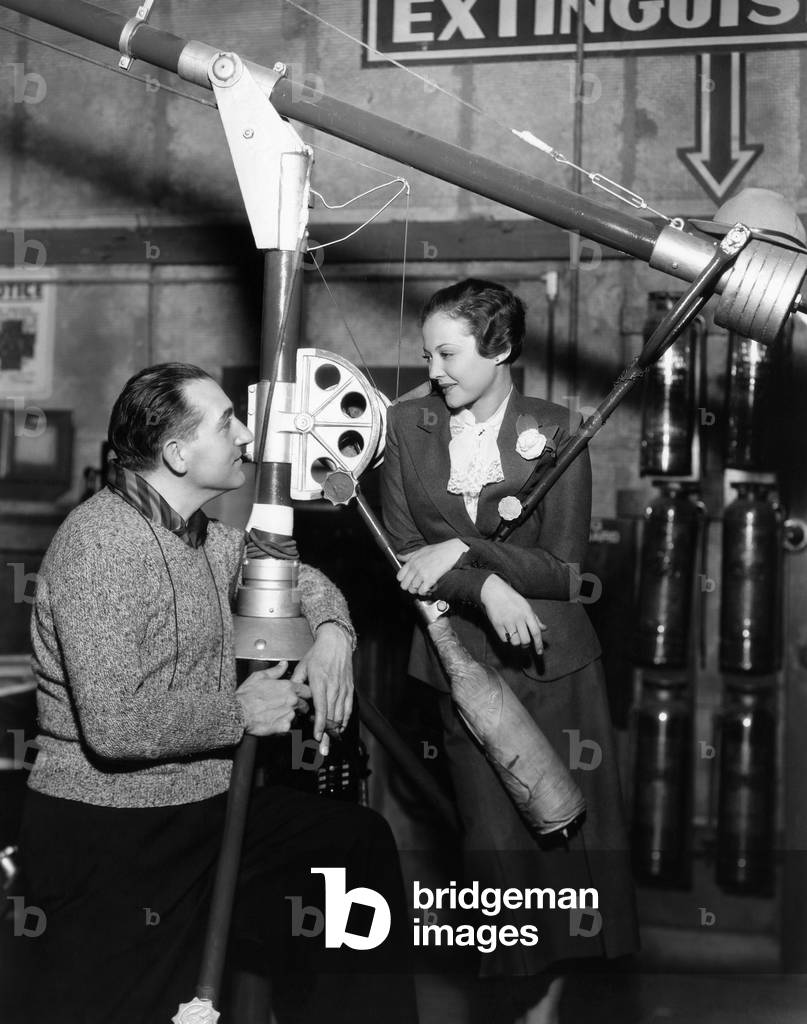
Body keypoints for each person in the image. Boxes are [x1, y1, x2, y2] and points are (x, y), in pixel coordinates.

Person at [20, 362, 417, 1024]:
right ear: (178, 453)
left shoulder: (202, 537)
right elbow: (113, 726)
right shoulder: (101, 547)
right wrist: (239, 712)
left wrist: (331, 635)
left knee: (350, 848)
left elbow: (299, 574)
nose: (244, 434)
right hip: (112, 833)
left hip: (203, 810)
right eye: (226, 422)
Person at [381, 280, 638, 1024]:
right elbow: (403, 552)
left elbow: (565, 569)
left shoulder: (558, 430)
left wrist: (462, 548)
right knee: (495, 852)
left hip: (554, 670)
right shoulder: (407, 426)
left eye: (448, 352)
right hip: (458, 665)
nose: (433, 368)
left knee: (566, 845)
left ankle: (544, 1011)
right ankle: (516, 1002)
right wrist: (483, 590)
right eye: (427, 352)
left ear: (498, 349)